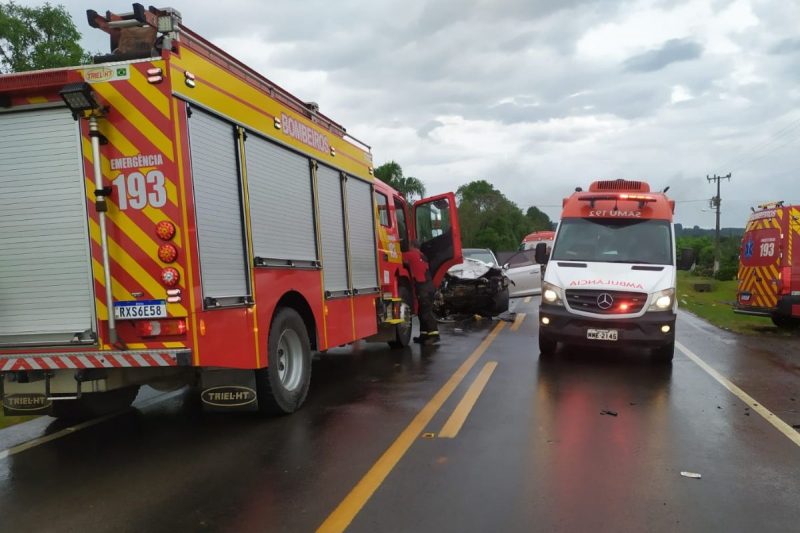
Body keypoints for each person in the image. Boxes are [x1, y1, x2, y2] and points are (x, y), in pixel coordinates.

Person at [403, 239, 439, 345]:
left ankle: (434, 335)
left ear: (412, 246)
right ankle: (424, 335)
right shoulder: (422, 256)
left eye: (409, 245)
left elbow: (396, 257)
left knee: (426, 313)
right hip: (428, 287)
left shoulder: (411, 255)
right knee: (421, 313)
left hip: (424, 289)